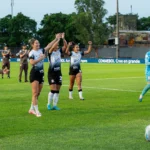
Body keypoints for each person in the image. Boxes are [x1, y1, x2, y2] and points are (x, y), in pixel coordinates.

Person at [28, 38, 57, 117]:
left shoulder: (41, 50)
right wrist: (41, 58)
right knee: (34, 93)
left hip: (41, 73)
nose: (38, 44)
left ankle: (31, 109)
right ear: (32, 45)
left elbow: (49, 45)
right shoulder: (31, 53)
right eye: (36, 43)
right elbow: (32, 63)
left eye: (38, 43)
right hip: (34, 74)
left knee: (38, 93)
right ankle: (37, 111)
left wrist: (56, 38)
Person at [47, 33, 67, 110]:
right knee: (53, 89)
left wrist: (63, 38)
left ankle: (55, 105)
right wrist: (57, 39)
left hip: (58, 73)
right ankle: (48, 104)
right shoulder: (50, 52)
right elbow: (51, 48)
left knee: (57, 90)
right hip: (51, 73)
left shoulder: (59, 52)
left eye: (58, 46)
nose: (57, 46)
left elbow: (65, 46)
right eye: (56, 45)